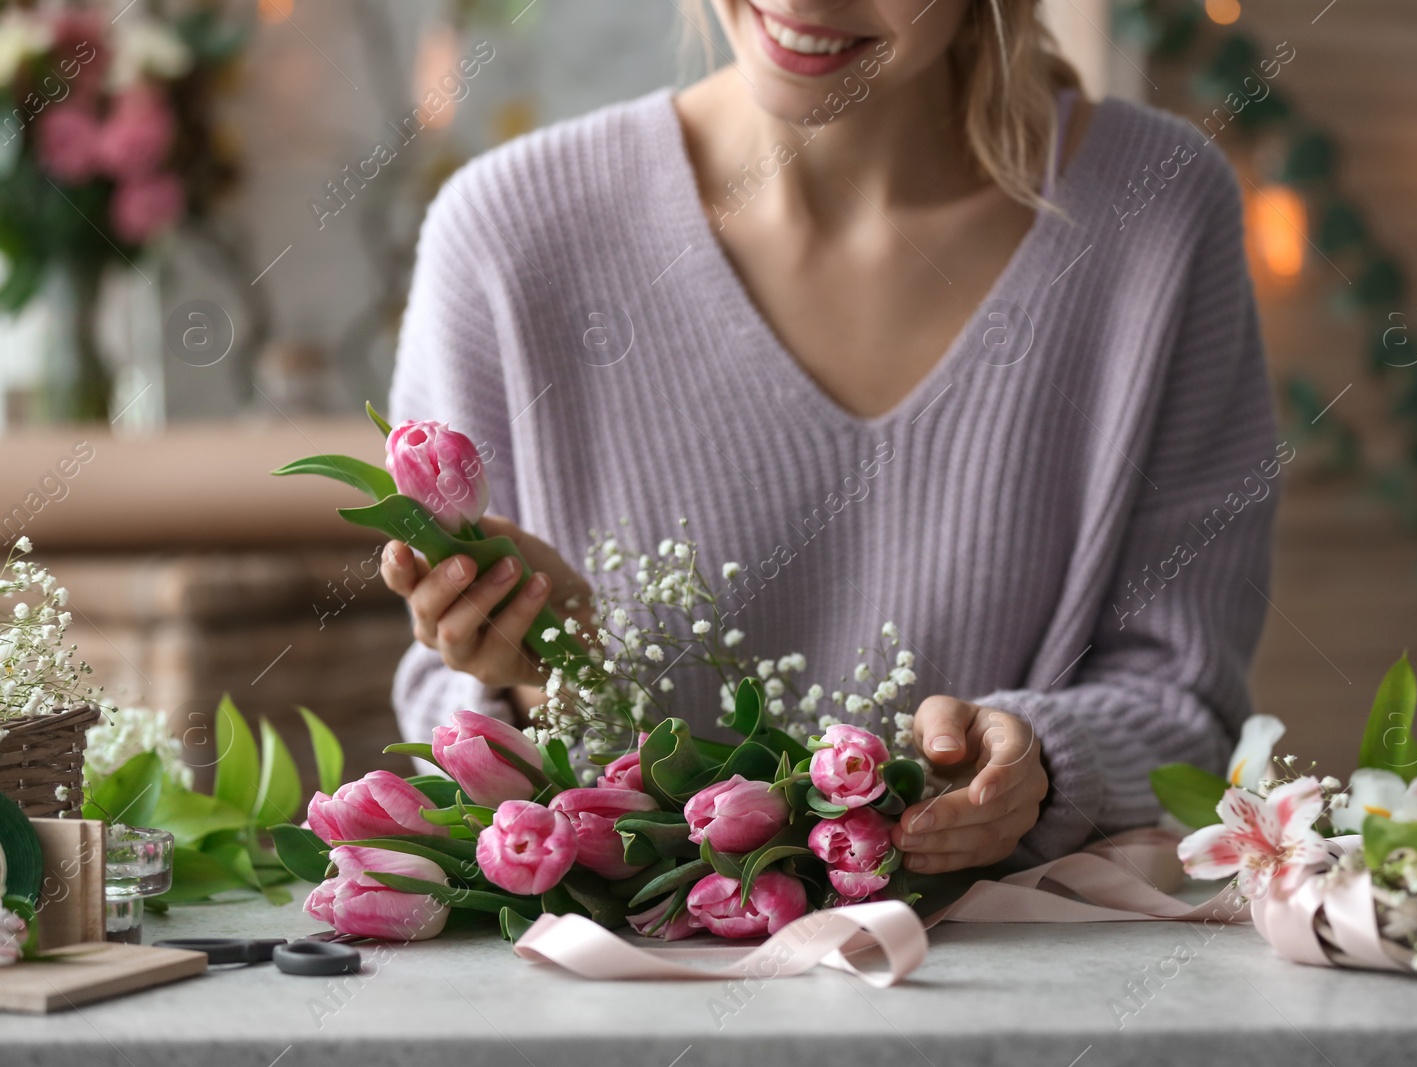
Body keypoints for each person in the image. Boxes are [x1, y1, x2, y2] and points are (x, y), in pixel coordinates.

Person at [381, 0, 1277, 875]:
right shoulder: (504, 236)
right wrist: (544, 676)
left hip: (1018, 996)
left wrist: (1044, 762)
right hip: (615, 1001)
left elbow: (1182, 699)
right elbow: (438, 718)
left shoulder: (1160, 211)